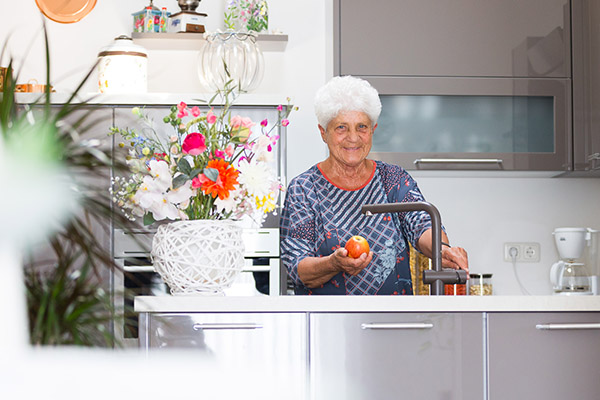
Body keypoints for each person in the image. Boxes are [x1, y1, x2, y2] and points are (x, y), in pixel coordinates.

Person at [280, 75, 468, 295]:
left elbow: (422, 223)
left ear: (373, 130)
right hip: (328, 323)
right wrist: (334, 263)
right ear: (323, 132)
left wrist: (441, 251)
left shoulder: (393, 179)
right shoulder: (304, 189)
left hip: (394, 320)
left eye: (361, 127)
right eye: (341, 127)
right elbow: (297, 267)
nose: (353, 138)